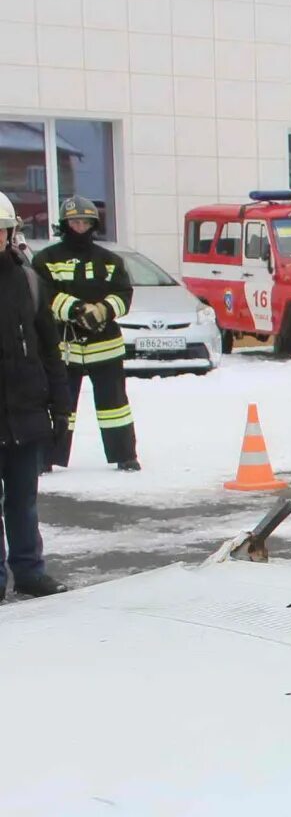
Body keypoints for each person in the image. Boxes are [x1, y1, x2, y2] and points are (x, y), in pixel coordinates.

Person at [35, 197, 137, 472]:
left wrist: (103, 310)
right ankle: (47, 458)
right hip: (64, 346)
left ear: (94, 224)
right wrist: (76, 309)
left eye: (85, 222)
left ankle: (125, 455)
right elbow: (42, 295)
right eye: (74, 221)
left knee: (115, 406)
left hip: (106, 346)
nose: (80, 226)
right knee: (59, 404)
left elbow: (124, 295)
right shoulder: (46, 259)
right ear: (65, 224)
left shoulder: (111, 260)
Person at [0, 192, 69, 600]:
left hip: (25, 415)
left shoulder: (28, 281)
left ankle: (29, 571)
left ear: (10, 233)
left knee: (23, 500)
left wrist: (60, 408)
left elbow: (49, 350)